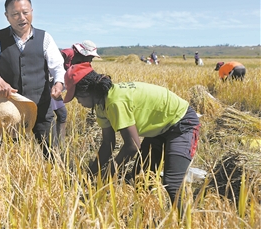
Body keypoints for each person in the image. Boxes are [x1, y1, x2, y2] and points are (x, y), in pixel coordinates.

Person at [63, 62, 201, 211]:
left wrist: (108, 173)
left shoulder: (115, 101)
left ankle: (187, 222)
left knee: (172, 182)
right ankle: (147, 216)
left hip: (181, 122)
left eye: (77, 97)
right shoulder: (101, 105)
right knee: (141, 177)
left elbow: (133, 146)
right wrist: (89, 176)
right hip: (158, 128)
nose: (78, 102)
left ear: (87, 91)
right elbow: (108, 145)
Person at [0, 0, 65, 159]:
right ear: (7, 17)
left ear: (32, 11)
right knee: (12, 157)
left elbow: (58, 66)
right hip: (11, 110)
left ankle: (64, 181)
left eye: (25, 12)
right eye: (15, 14)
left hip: (41, 106)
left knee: (53, 154)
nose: (21, 18)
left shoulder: (44, 37)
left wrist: (59, 83)